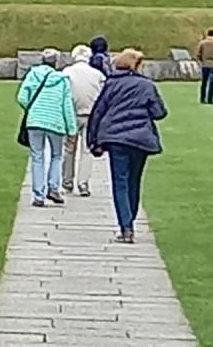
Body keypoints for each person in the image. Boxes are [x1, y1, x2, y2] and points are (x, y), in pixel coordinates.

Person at [88, 48, 168, 244]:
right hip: (140, 138)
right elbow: (159, 112)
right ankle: (129, 220)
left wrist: (93, 140)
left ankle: (126, 227)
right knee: (134, 181)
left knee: (120, 182)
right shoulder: (147, 86)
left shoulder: (111, 85)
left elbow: (98, 111)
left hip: (116, 138)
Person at [17, 48, 77, 207]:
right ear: (56, 62)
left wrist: (31, 109)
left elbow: (22, 97)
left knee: (37, 156)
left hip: (35, 121)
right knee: (57, 155)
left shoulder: (33, 74)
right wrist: (72, 130)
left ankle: (38, 195)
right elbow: (67, 106)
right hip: (55, 122)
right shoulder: (62, 80)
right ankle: (53, 187)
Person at [61, 44, 108, 198]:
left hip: (71, 115)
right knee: (87, 150)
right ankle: (83, 183)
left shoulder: (66, 72)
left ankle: (67, 180)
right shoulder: (98, 75)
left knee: (69, 148)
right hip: (91, 117)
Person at [195, 28, 213, 104]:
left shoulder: (202, 43)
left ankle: (202, 98)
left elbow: (198, 54)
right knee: (211, 83)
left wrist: (202, 61)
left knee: (204, 82)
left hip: (204, 64)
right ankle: (210, 99)